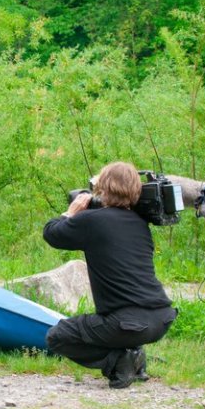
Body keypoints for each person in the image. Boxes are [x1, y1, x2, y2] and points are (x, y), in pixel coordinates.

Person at [43, 162, 177, 389]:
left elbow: (52, 233)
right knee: (122, 325)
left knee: (58, 336)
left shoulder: (91, 221)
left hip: (126, 324)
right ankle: (135, 357)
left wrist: (71, 212)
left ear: (103, 188)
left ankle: (118, 362)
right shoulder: (140, 224)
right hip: (161, 319)